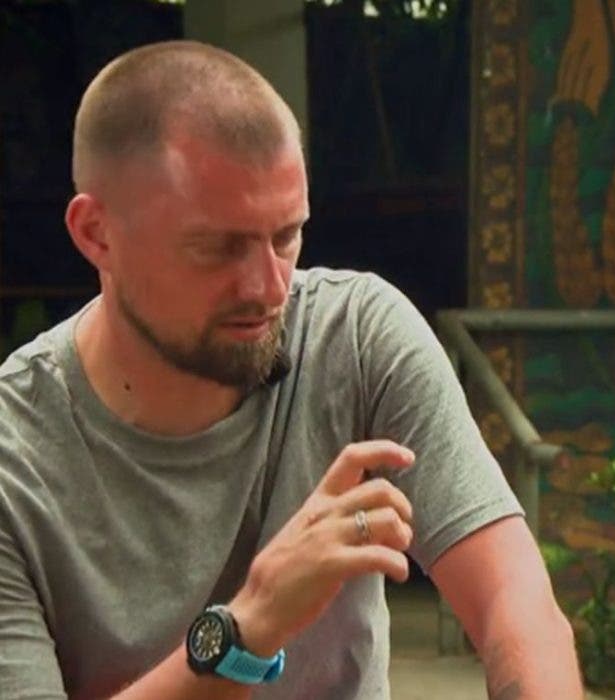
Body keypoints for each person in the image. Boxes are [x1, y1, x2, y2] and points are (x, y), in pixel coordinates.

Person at [0, 40, 582, 700]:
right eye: (217, 247)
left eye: (285, 237)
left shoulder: (355, 335)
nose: (268, 288)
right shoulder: (17, 461)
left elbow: (515, 603)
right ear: (96, 234)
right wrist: (246, 632)